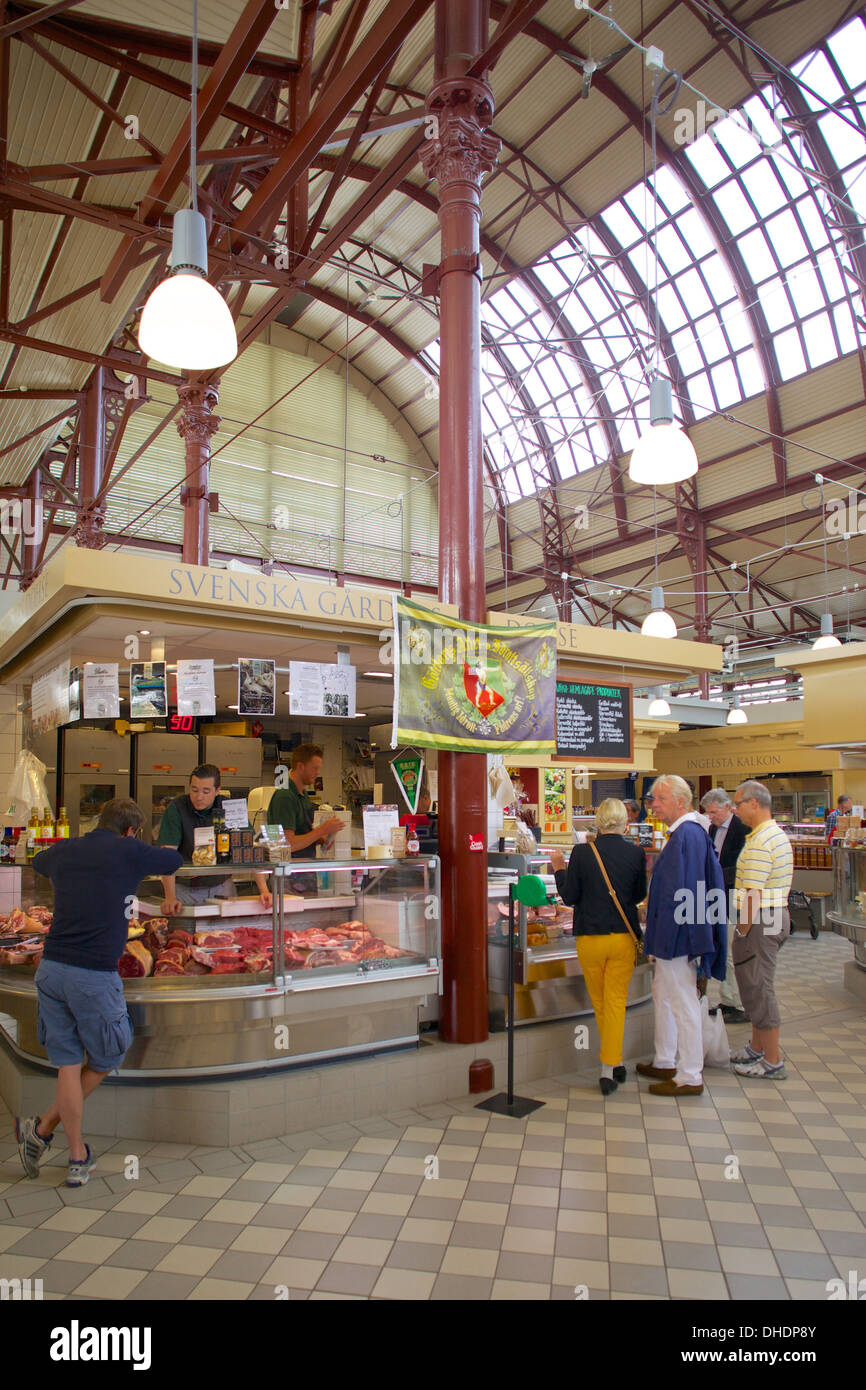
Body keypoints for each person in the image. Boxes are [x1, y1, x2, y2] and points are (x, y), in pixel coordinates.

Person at [15, 799, 182, 1187]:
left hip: (52, 969)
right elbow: (173, 863)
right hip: (93, 975)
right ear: (130, 830)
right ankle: (44, 1132)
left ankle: (70, 1154)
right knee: (108, 1055)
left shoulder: (67, 848)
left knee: (68, 1066)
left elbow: (37, 862)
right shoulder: (130, 849)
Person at [637, 775, 727, 1097]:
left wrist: (671, 941)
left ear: (680, 801)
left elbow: (684, 892)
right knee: (663, 994)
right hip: (672, 934)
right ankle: (665, 1059)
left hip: (677, 937)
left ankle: (690, 1074)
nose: (654, 805)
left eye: (659, 799)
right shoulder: (690, 833)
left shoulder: (687, 835)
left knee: (683, 1002)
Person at [550, 799, 647, 1097]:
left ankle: (610, 1067)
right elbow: (639, 894)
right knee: (616, 1001)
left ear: (598, 823)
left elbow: (569, 897)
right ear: (625, 823)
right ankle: (612, 1065)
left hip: (590, 938)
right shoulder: (636, 852)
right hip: (622, 938)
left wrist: (558, 870)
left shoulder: (582, 852)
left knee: (600, 1002)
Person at [729, 779, 794, 1081]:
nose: (735, 809)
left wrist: (742, 931)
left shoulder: (760, 842)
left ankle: (772, 1060)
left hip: (762, 920)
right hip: (774, 916)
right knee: (755, 986)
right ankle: (757, 1047)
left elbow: (753, 894)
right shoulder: (773, 835)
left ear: (754, 803)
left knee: (759, 986)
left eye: (738, 803)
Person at [158, 763, 271, 916]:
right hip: (184, 890)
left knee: (227, 935)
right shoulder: (176, 809)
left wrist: (263, 890)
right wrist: (170, 897)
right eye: (194, 790)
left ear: (217, 790)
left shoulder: (230, 807)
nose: (199, 797)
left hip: (222, 887)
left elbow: (249, 847)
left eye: (206, 791)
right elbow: (167, 856)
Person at [701, 787, 749, 1024]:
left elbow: (742, 869)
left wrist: (716, 874)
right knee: (721, 947)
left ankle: (737, 1003)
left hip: (733, 898)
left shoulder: (743, 830)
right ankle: (726, 999)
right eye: (708, 813)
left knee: (731, 950)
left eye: (714, 812)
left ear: (728, 808)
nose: (711, 817)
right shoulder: (711, 829)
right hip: (716, 897)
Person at [267, 743, 345, 857]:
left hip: (303, 870)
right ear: (300, 767)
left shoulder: (302, 794)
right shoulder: (285, 796)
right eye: (314, 768)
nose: (318, 772)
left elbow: (301, 834)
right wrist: (322, 830)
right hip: (288, 871)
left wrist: (321, 839)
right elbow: (286, 844)